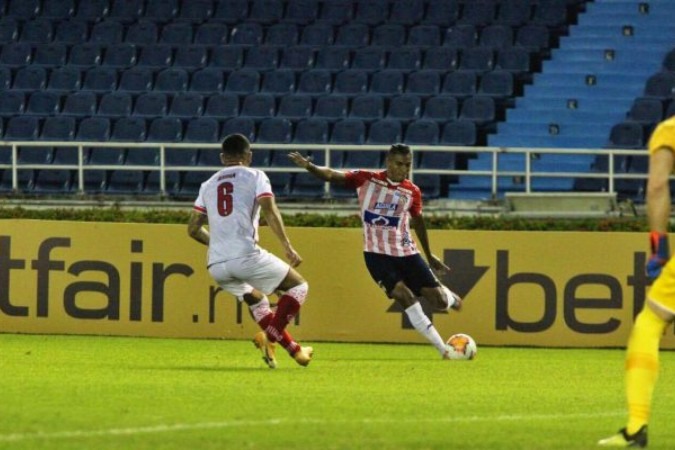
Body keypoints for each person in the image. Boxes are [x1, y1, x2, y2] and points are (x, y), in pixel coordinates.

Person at [288, 144, 463, 360]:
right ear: (388, 162)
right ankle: (443, 349)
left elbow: (418, 222)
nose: (404, 169)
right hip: (376, 255)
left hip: (407, 253)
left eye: (408, 165)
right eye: (399, 164)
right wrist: (309, 166)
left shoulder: (412, 191)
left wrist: (429, 256)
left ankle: (448, 297)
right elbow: (332, 175)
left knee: (437, 301)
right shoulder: (367, 179)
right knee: (404, 296)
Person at [188, 133, 313, 369]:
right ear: (249, 156)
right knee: (298, 287)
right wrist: (287, 245)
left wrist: (218, 243)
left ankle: (296, 351)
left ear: (223, 157)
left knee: (258, 303)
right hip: (245, 255)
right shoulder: (256, 175)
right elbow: (269, 209)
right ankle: (270, 336)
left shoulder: (208, 185)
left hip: (216, 265)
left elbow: (193, 229)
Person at [598, 116, 675, 447]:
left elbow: (657, 186)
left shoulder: (669, 130)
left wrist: (659, 246)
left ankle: (636, 426)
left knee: (649, 323)